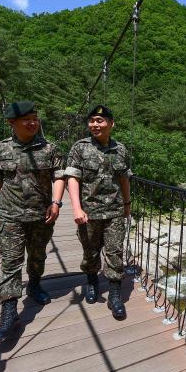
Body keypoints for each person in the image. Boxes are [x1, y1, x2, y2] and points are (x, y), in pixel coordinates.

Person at [0, 100, 66, 342]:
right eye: (26, 119)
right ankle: (9, 312)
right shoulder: (1, 149)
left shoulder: (50, 148)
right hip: (10, 216)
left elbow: (59, 176)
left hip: (41, 215)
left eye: (35, 118)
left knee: (38, 256)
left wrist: (56, 203)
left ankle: (35, 285)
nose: (32, 122)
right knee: (10, 262)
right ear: (11, 123)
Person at [65, 104, 132, 319]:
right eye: (92, 120)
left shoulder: (120, 149)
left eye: (100, 121)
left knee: (115, 253)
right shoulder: (80, 148)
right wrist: (76, 207)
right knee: (90, 252)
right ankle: (92, 281)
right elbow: (72, 178)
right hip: (89, 212)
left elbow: (124, 179)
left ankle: (114, 295)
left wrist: (127, 205)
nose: (95, 124)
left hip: (114, 211)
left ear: (111, 124)